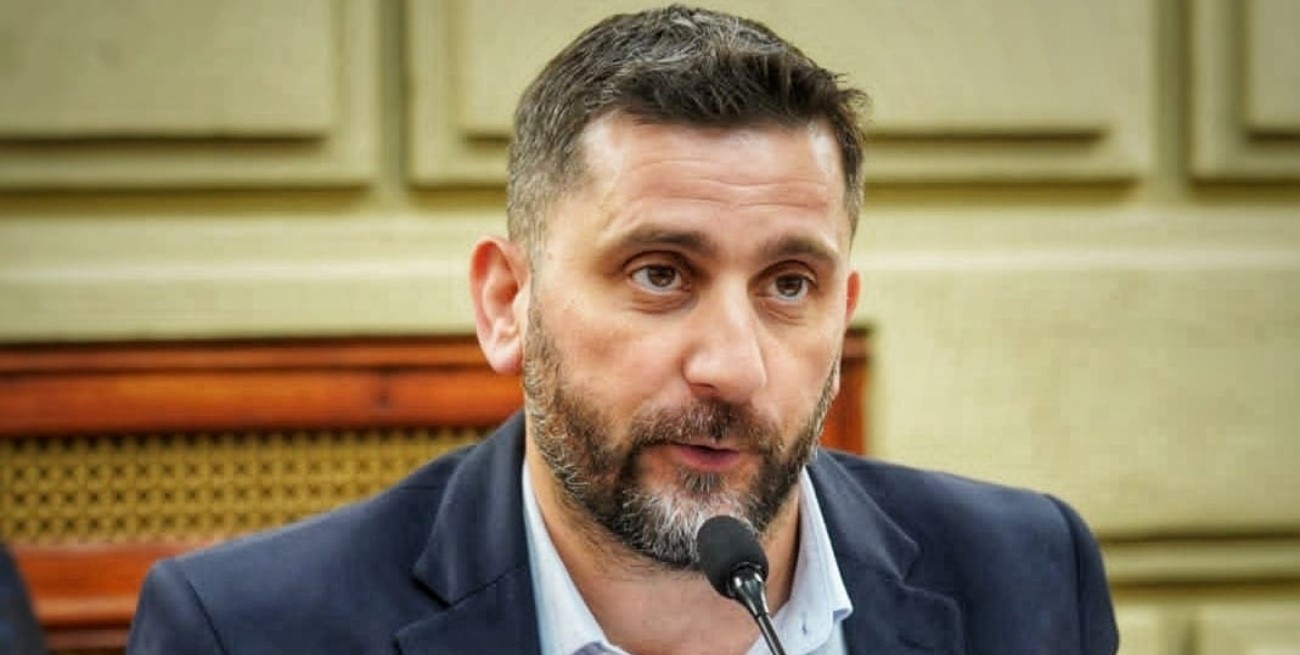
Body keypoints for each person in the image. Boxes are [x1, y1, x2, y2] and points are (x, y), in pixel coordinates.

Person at [127, 5, 1118, 654]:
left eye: (788, 284)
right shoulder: (247, 630)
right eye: (660, 273)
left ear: (841, 310)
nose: (731, 366)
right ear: (506, 305)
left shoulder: (1028, 578)